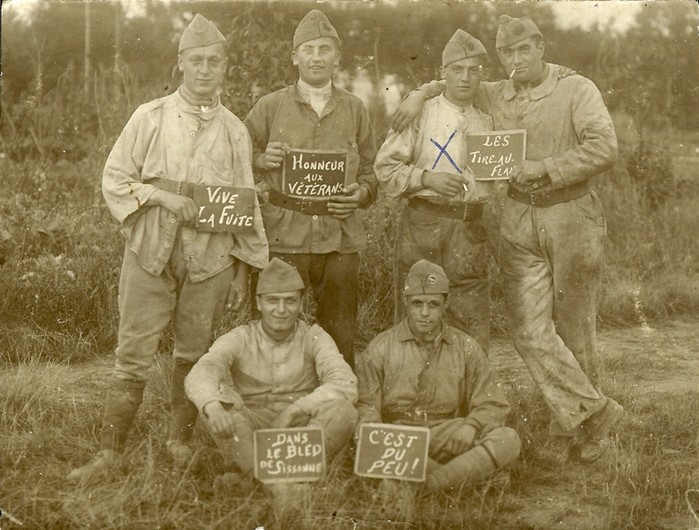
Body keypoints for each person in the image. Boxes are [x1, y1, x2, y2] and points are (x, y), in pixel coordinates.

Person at [390, 15, 622, 464]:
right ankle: (592, 412)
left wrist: (547, 167)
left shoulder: (577, 89)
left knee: (574, 324)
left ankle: (575, 426)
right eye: (507, 54)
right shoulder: (495, 90)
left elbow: (604, 147)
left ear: (540, 46)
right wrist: (419, 95)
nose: (516, 60)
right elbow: (456, 79)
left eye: (524, 50)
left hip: (570, 213)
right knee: (528, 329)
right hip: (517, 219)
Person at [67, 15, 268, 481]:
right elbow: (115, 178)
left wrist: (241, 269)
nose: (204, 70)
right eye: (196, 61)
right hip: (149, 251)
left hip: (211, 261)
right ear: (181, 64)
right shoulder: (150, 116)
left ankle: (178, 442)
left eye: (214, 62)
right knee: (132, 351)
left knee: (194, 352)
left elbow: (246, 204)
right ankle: (109, 453)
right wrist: (163, 196)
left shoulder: (236, 130)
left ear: (224, 68)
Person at [244, 9, 378, 367]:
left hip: (340, 238)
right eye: (308, 49)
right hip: (285, 236)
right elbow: (235, 155)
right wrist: (260, 159)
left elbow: (372, 169)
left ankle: (337, 406)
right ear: (294, 57)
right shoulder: (270, 107)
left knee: (340, 332)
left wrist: (362, 193)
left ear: (337, 57)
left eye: (324, 49)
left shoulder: (354, 108)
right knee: (278, 329)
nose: (316, 57)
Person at [184, 257, 358, 490]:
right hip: (252, 427)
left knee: (343, 411)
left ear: (301, 304)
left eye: (290, 301)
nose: (281, 310)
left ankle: (257, 479)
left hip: (299, 429)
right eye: (272, 301)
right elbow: (201, 372)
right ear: (258, 303)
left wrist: (295, 410)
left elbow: (345, 382)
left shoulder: (314, 337)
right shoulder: (241, 337)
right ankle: (284, 483)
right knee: (217, 407)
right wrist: (212, 405)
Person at [374, 29, 499, 352]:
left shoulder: (491, 117)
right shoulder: (421, 112)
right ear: (444, 73)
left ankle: (469, 398)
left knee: (470, 317)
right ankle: (410, 396)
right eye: (457, 70)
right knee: (418, 310)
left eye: (474, 70)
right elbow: (385, 169)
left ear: (482, 75)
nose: (465, 78)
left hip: (470, 228)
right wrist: (426, 179)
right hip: (423, 223)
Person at [355, 260, 520, 491]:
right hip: (398, 438)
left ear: (446, 304)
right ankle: (463, 480)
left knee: (507, 439)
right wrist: (382, 443)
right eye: (417, 304)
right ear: (405, 302)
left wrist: (470, 426)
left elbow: (492, 403)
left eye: (433, 304)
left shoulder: (466, 348)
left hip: (448, 436)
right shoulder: (380, 348)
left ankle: (426, 484)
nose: (424, 313)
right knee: (364, 444)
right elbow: (366, 409)